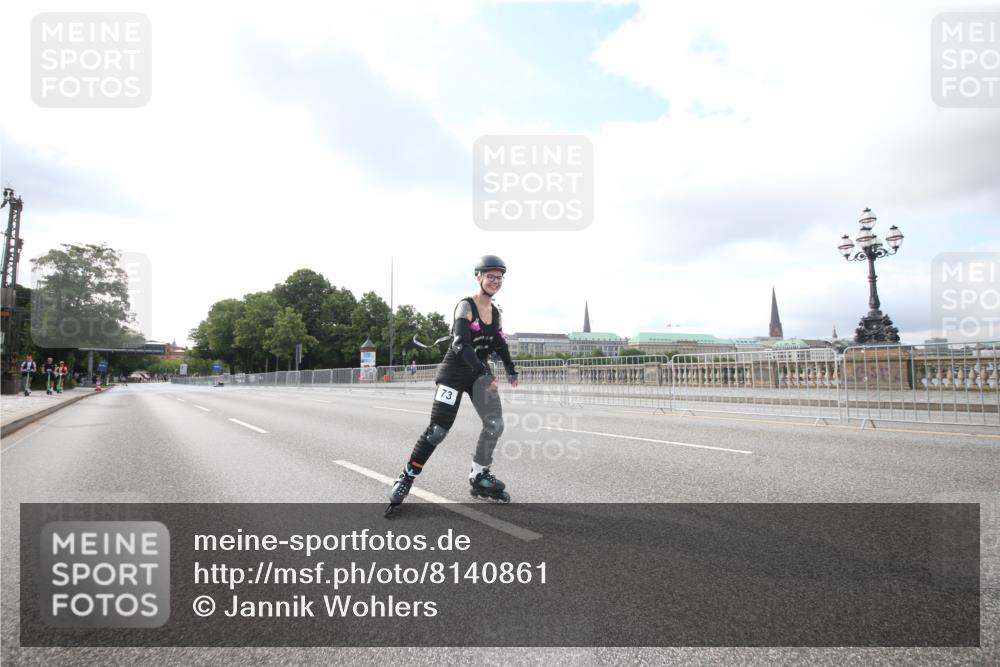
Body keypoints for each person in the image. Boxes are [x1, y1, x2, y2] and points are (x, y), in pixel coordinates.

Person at [387, 255, 518, 514]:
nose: (495, 281)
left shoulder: (496, 313)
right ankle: (406, 476)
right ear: (478, 277)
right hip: (455, 373)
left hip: (479, 373)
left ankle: (479, 474)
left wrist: (511, 370)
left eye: (499, 277)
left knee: (495, 424)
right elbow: (461, 345)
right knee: (438, 430)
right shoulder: (465, 307)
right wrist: (486, 374)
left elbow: (500, 344)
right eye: (490, 276)